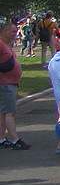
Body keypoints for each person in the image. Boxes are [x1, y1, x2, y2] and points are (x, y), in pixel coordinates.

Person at [0, 22, 31, 150]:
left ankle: (1, 139)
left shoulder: (6, 45)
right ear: (4, 31)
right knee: (9, 112)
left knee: (3, 113)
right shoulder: (1, 45)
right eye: (13, 31)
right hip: (5, 83)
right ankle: (15, 140)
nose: (15, 34)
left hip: (10, 83)